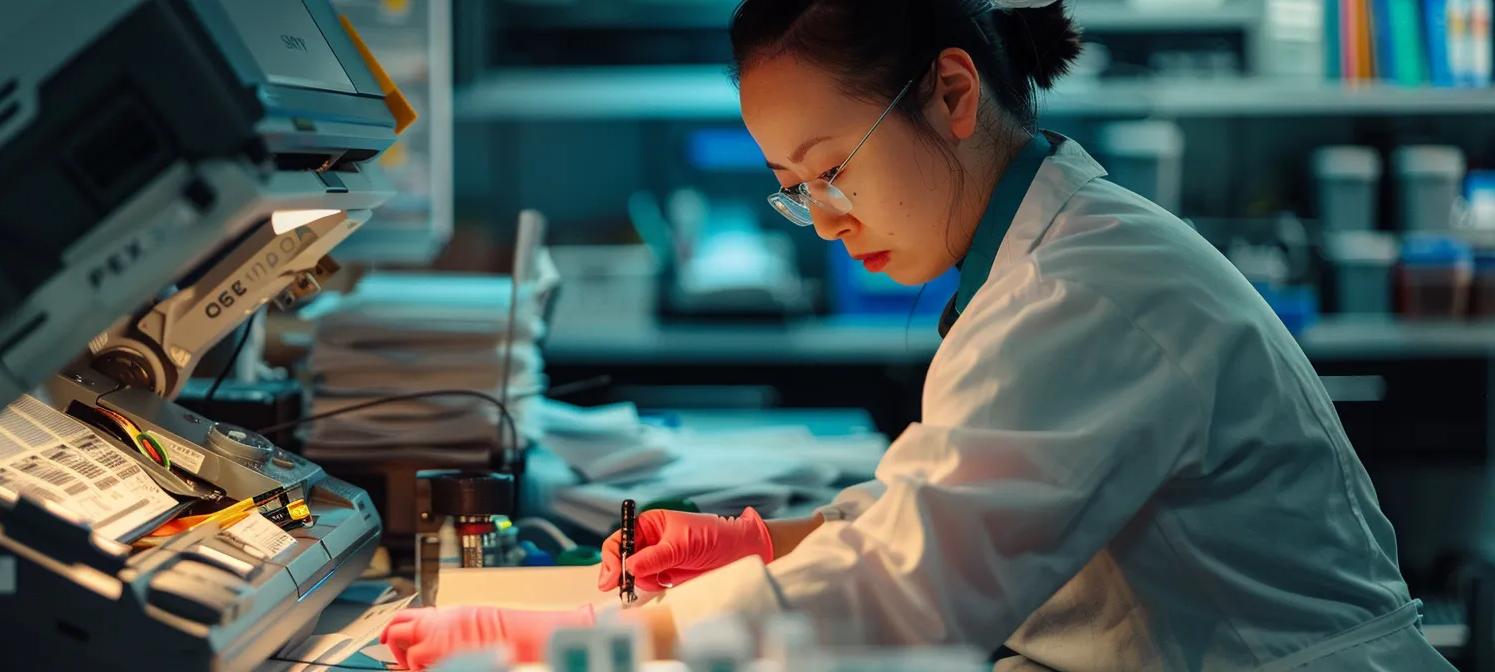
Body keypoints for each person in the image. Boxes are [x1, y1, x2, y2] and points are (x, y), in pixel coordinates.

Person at [382, 0, 1456, 669]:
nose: (827, 217)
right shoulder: (1042, 253)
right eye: (793, 190)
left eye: (833, 169)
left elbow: (910, 591)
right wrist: (765, 541)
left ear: (951, 92)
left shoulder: (1082, 295)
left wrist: (585, 641)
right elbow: (951, 497)